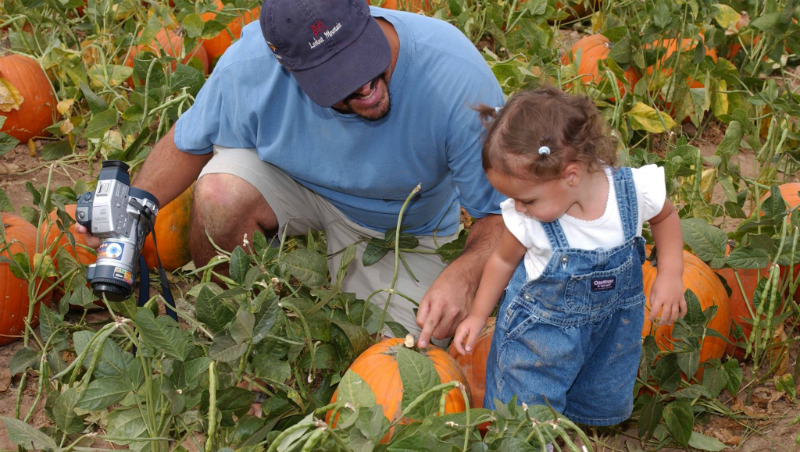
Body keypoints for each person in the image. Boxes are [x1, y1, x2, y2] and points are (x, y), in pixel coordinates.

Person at [76, 0, 506, 344]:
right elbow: (188, 142)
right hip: (295, 183)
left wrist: (464, 271)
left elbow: (503, 216)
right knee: (220, 197)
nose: (364, 86)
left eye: (362, 57)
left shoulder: (454, 74)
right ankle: (234, 333)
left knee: (398, 357)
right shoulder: (250, 67)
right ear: (288, 68)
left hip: (398, 226)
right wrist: (131, 210)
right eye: (338, 78)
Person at [452, 87, 686, 425]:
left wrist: (670, 273)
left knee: (591, 403)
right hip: (538, 344)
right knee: (526, 420)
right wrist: (477, 315)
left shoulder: (631, 191)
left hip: (609, 338)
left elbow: (665, 215)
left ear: (571, 175)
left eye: (527, 199)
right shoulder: (529, 221)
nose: (519, 208)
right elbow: (501, 262)